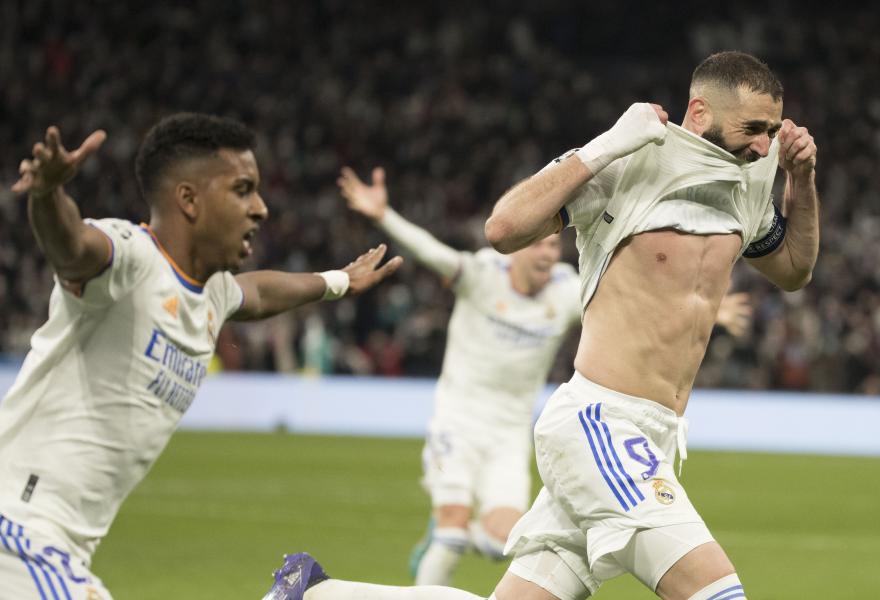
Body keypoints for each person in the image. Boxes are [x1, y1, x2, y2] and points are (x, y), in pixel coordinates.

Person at [269, 50, 817, 600]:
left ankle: (313, 594)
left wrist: (801, 181)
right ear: (699, 112)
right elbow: (503, 229)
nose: (764, 144)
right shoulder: (632, 161)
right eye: (753, 129)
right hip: (602, 424)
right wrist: (605, 145)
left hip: (655, 434)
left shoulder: (751, 180)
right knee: (718, 594)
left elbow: (793, 269)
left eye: (772, 129)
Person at [0, 114, 402, 599]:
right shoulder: (131, 258)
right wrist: (48, 196)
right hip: (20, 534)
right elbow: (75, 248)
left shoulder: (210, 293)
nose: (261, 209)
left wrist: (338, 282)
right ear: (188, 199)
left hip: (59, 551)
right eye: (242, 189)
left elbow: (256, 294)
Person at [334, 167, 753, 587]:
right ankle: (434, 548)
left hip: (510, 434)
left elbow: (636, 304)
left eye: (554, 244)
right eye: (536, 243)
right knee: (451, 533)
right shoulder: (480, 276)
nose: (547, 253)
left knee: (502, 540)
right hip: (458, 421)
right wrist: (383, 214)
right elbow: (430, 252)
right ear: (514, 249)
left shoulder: (564, 291)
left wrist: (710, 311)